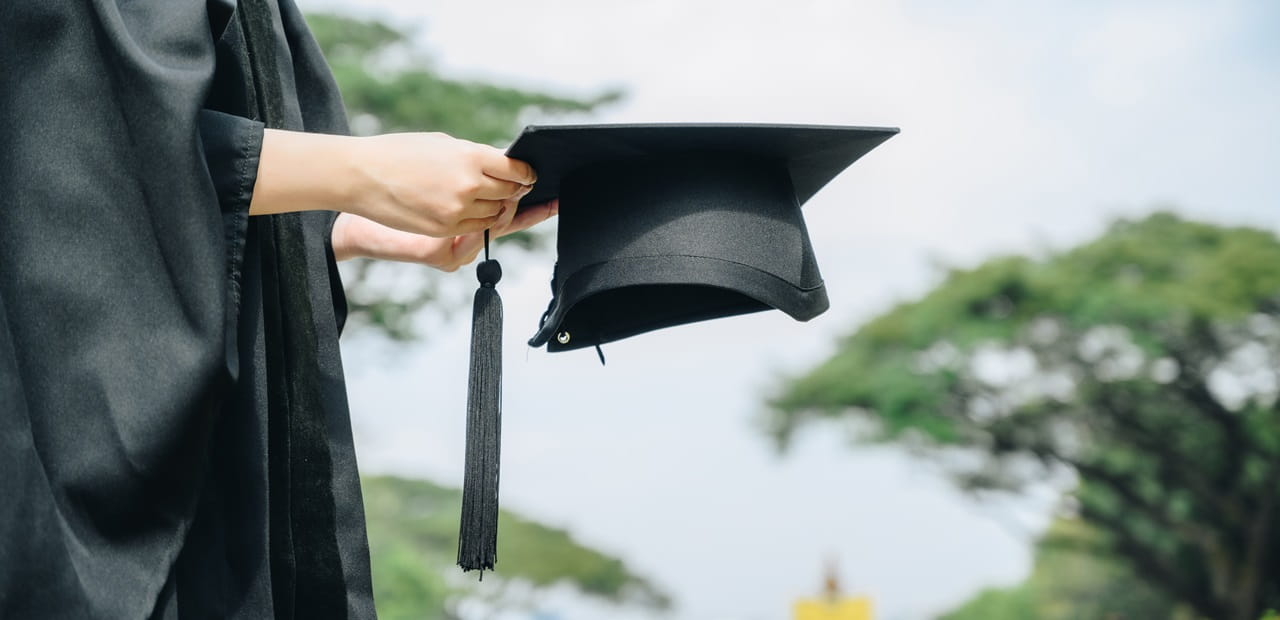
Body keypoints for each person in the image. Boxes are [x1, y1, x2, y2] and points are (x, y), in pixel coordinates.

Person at [0, 0, 555, 617]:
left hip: (244, 462)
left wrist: (347, 227)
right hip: (75, 472)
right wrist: (360, 173)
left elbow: (225, 187)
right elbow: (66, 147)